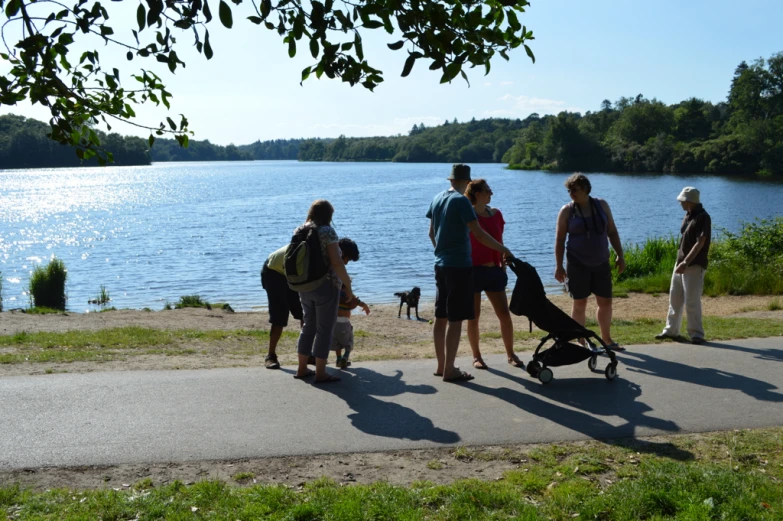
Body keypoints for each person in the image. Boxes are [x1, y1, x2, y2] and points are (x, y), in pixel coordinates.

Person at [426, 164, 513, 383]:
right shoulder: (461, 201)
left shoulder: (437, 198)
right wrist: (504, 250)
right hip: (459, 266)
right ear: (467, 181)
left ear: (451, 179)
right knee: (456, 318)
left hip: (441, 264)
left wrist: (441, 251)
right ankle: (450, 369)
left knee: (441, 316)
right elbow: (480, 234)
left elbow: (431, 233)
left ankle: (440, 365)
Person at [554, 173, 625, 350]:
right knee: (579, 303)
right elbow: (560, 240)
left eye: (575, 190)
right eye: (569, 190)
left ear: (585, 189)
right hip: (577, 264)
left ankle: (607, 340)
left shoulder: (601, 205)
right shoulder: (567, 211)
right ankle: (581, 341)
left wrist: (620, 255)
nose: (571, 194)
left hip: (601, 263)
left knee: (605, 302)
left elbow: (612, 232)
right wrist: (559, 266)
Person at [463, 178, 524, 370]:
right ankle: (477, 356)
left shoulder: (496, 214)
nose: (492, 194)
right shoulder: (468, 216)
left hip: (493, 270)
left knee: (504, 314)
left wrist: (503, 265)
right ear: (478, 194)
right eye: (488, 191)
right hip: (472, 271)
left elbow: (499, 239)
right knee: (474, 317)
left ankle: (511, 354)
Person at [293, 199, 353, 383]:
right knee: (324, 329)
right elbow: (336, 261)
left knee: (308, 326)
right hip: (325, 286)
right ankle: (321, 373)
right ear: (329, 215)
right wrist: (347, 284)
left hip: (303, 285)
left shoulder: (300, 229)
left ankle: (302, 368)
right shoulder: (327, 231)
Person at [656, 187, 711, 344]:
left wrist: (686, 262)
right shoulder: (688, 215)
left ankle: (697, 334)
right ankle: (671, 330)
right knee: (675, 297)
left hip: (693, 265)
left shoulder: (703, 217)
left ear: (689, 201)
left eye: (682, 200)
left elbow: (701, 242)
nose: (680, 202)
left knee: (692, 300)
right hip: (680, 263)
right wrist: (681, 262)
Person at [260, 244, 303, 369]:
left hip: (292, 273)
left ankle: (306, 353)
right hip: (273, 271)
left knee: (305, 313)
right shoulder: (312, 248)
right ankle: (270, 356)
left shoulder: (325, 251)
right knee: (279, 316)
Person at [332, 238, 371, 369]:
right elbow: (356, 301)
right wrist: (364, 305)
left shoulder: (335, 292)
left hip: (332, 321)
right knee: (349, 342)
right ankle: (345, 356)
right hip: (345, 322)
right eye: (347, 259)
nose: (347, 264)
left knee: (336, 343)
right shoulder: (347, 295)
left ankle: (338, 358)